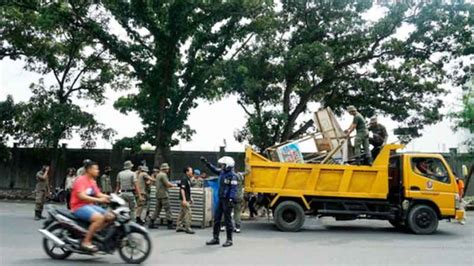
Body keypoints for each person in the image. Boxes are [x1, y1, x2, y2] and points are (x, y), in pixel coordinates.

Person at [70, 160, 113, 252]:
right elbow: (82, 196)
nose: (98, 171)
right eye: (95, 169)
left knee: (110, 216)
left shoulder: (92, 181)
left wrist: (112, 197)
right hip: (78, 207)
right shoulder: (80, 180)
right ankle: (86, 241)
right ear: (89, 170)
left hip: (88, 205)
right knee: (99, 218)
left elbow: (98, 193)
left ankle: (95, 235)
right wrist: (99, 200)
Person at [202, 156, 238, 247]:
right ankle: (215, 238)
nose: (221, 166)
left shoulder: (233, 176)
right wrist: (207, 163)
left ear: (228, 165)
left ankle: (229, 240)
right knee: (217, 219)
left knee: (227, 220)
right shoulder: (222, 172)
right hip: (221, 199)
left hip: (227, 200)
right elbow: (214, 169)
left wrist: (231, 199)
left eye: (223, 165)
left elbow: (233, 189)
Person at [149, 163, 176, 229]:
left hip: (158, 194)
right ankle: (170, 224)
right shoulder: (163, 175)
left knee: (157, 210)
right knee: (168, 209)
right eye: (167, 169)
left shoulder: (158, 175)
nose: (168, 170)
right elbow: (167, 184)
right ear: (165, 169)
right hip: (164, 195)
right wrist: (174, 185)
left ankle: (151, 222)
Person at [176, 166, 195, 234]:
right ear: (187, 172)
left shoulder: (187, 179)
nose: (192, 172)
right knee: (188, 213)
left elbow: (188, 190)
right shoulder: (184, 179)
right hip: (184, 199)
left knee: (182, 213)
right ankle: (188, 228)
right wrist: (184, 200)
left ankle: (179, 226)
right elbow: (182, 189)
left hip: (186, 198)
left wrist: (191, 198)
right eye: (191, 170)